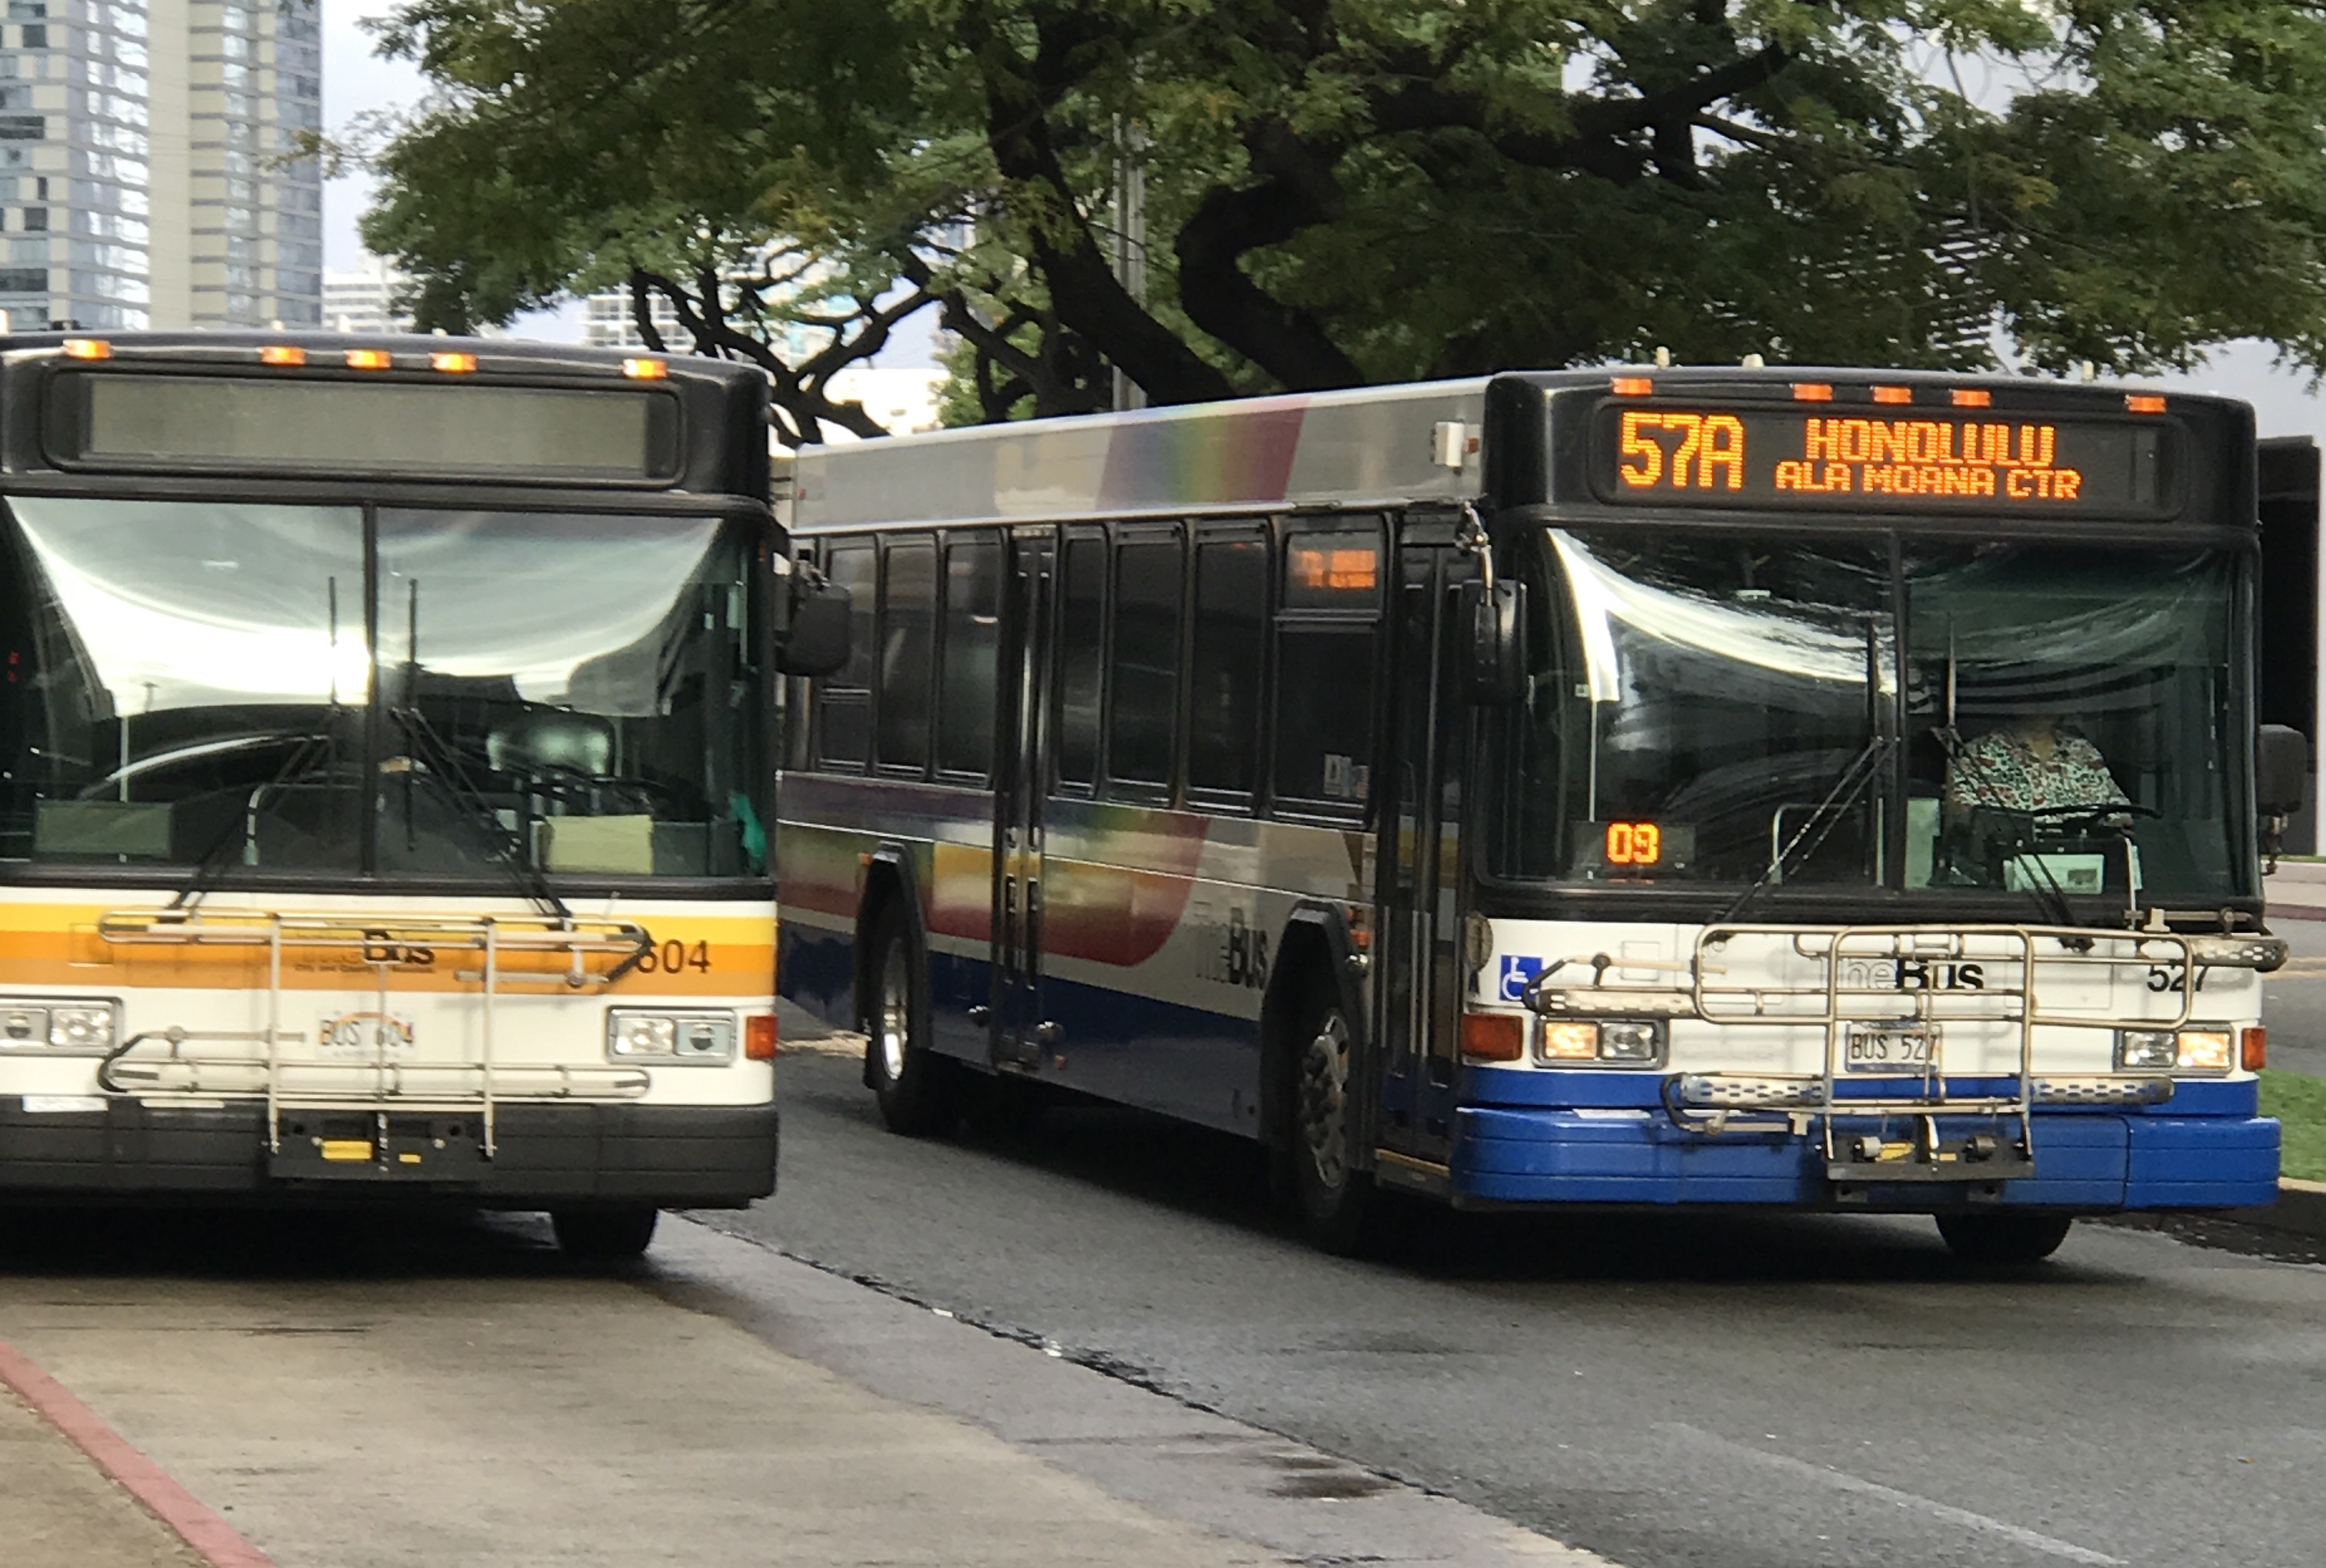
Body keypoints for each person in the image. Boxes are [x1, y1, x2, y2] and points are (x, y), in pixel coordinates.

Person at [1943, 714, 2128, 815]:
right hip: (2008, 867)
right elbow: (1960, 811)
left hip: (2086, 864)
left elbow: (2119, 807)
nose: (2043, 710)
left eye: (2052, 700)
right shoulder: (1980, 752)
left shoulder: (2083, 751)